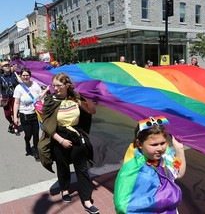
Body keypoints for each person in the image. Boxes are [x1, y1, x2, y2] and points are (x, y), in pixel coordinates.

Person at [38, 73, 99, 214]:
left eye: (58, 85)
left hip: (76, 135)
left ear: (66, 85)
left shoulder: (75, 97)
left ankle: (87, 200)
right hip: (58, 136)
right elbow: (47, 125)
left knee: (82, 168)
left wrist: (88, 98)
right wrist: (61, 140)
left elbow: (91, 110)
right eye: (53, 85)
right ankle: (64, 189)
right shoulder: (50, 100)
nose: (55, 88)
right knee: (63, 165)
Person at [114, 116, 186, 213]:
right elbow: (124, 206)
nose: (160, 148)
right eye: (154, 145)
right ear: (139, 144)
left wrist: (179, 149)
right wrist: (166, 197)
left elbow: (178, 173)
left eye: (163, 143)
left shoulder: (165, 157)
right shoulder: (133, 169)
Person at [13, 68, 50, 160]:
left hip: (34, 114)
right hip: (24, 115)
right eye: (23, 75)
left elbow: (39, 97)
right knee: (28, 135)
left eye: (27, 75)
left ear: (30, 76)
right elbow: (16, 103)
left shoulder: (35, 85)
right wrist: (15, 117)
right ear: (21, 76)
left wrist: (46, 90)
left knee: (36, 134)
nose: (25, 77)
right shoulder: (19, 88)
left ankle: (37, 153)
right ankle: (27, 143)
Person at [0, 61, 20, 135]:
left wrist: (15, 73)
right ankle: (11, 123)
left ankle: (16, 128)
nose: (7, 66)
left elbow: (20, 83)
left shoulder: (14, 75)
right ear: (2, 68)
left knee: (15, 113)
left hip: (15, 97)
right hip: (5, 98)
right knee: (7, 115)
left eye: (8, 65)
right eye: (5, 66)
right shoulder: (1, 77)